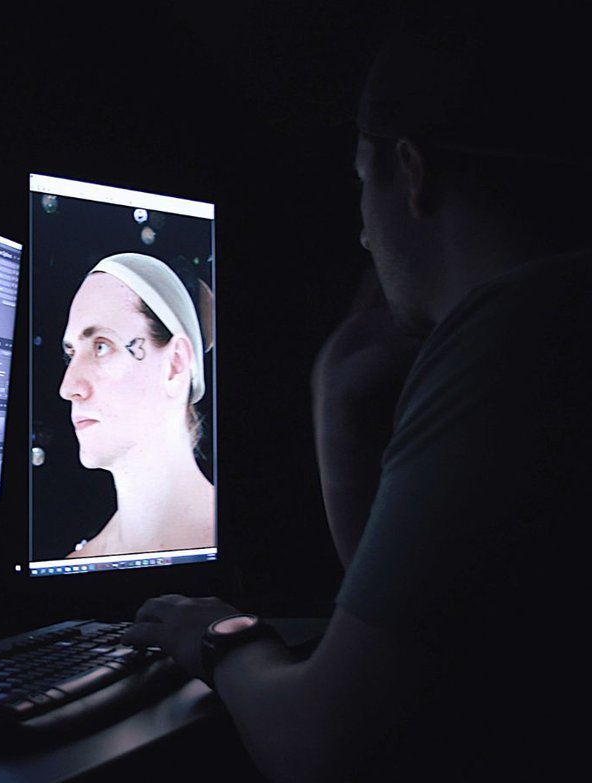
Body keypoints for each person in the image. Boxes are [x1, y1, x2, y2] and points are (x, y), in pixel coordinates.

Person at [122, 10, 591, 782]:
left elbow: (328, 749)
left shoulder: (524, 330)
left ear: (411, 172)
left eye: (358, 182)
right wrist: (341, 402)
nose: (365, 236)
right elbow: (405, 652)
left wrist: (221, 638)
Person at [59, 252, 214, 558]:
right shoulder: (77, 565)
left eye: (101, 346)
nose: (68, 388)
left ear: (175, 365)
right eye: (71, 354)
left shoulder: (263, 548)